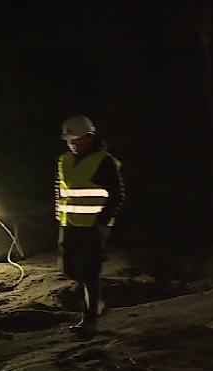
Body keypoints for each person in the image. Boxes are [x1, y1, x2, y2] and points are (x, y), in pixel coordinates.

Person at [55, 114, 126, 340]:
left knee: (89, 271)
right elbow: (61, 190)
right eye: (70, 140)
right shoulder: (65, 160)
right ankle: (96, 304)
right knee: (68, 269)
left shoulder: (103, 161)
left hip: (94, 226)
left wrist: (102, 221)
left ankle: (89, 320)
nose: (74, 144)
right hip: (69, 224)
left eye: (79, 139)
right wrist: (59, 215)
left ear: (91, 137)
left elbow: (117, 194)